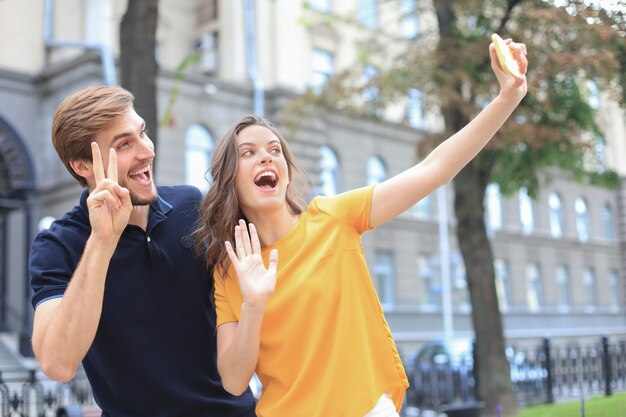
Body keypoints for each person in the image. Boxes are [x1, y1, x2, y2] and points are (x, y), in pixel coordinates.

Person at [193, 37, 528, 417]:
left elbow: (433, 170)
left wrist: (507, 99)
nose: (266, 157)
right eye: (248, 153)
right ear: (230, 179)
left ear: (285, 172)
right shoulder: (231, 269)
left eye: (274, 150)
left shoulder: (333, 218)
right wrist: (253, 304)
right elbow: (234, 381)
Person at [29, 85, 257, 417]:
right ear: (82, 166)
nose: (147, 151)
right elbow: (57, 364)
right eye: (124, 144)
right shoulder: (58, 244)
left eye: (143, 133)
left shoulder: (192, 206)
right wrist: (102, 242)